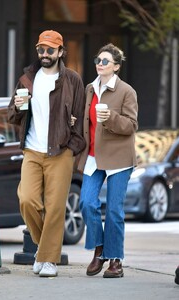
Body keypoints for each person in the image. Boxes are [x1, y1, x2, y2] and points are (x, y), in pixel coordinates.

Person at [8, 30, 86, 277]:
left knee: (54, 208)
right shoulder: (27, 79)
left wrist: (71, 148)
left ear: (61, 52)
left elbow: (80, 121)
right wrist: (19, 108)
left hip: (60, 152)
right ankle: (45, 250)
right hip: (32, 150)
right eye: (41, 49)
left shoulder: (72, 80)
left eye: (50, 50)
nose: (44, 54)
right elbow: (11, 115)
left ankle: (48, 260)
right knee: (27, 199)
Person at [78, 43, 138, 278]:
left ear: (116, 66)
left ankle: (115, 261)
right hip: (93, 156)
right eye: (98, 60)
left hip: (120, 158)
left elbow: (131, 126)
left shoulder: (126, 91)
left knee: (114, 211)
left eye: (105, 61)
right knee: (86, 203)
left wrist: (111, 118)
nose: (100, 64)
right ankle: (99, 249)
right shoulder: (89, 89)